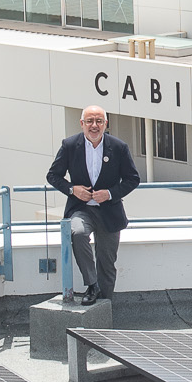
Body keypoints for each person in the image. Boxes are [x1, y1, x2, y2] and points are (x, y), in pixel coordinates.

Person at [47, 105, 141, 305]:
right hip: (81, 209)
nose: (94, 125)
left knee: (107, 264)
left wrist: (109, 194)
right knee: (78, 233)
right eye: (89, 121)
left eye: (99, 121)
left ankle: (104, 306)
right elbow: (53, 176)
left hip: (110, 212)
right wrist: (73, 190)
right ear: (82, 124)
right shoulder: (70, 145)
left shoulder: (118, 147)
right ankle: (91, 285)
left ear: (106, 124)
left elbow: (133, 179)